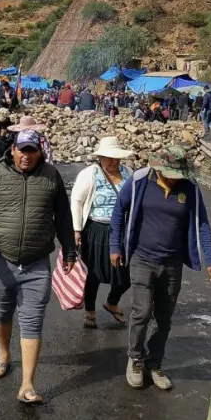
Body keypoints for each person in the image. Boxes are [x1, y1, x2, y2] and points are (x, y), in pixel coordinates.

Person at [0, 130, 77, 405]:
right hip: (2, 259)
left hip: (37, 262)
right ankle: (3, 354)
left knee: (32, 320)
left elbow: (63, 215)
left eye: (32, 150)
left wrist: (70, 249)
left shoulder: (51, 176)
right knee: (2, 310)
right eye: (22, 150)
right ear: (12, 149)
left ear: (40, 152)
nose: (26, 156)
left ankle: (27, 384)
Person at [110, 145, 211, 391]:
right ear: (159, 168)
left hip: (172, 263)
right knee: (142, 311)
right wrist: (114, 247)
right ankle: (136, 358)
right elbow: (119, 212)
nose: (175, 178)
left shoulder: (190, 189)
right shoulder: (140, 181)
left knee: (164, 318)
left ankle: (154, 362)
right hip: (142, 258)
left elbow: (202, 223)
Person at [71, 136, 134, 329]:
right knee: (94, 273)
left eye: (117, 157)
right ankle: (90, 310)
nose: (114, 161)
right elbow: (77, 201)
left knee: (125, 276)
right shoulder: (90, 174)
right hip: (96, 230)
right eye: (110, 157)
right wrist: (76, 229)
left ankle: (111, 302)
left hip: (122, 232)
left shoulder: (129, 173)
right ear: (101, 157)